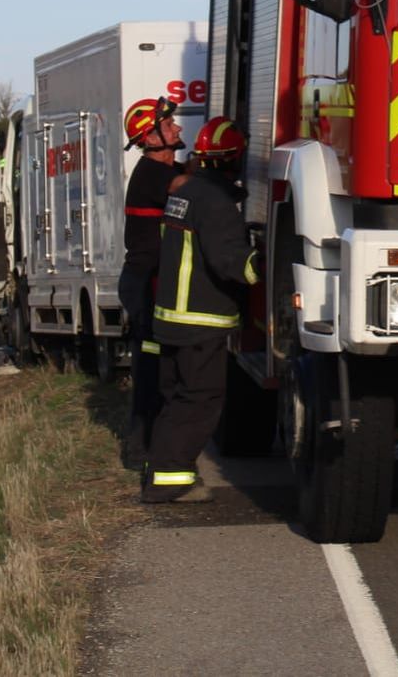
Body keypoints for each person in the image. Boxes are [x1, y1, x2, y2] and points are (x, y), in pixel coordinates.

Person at [141, 116, 259, 504]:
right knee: (200, 399)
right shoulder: (217, 203)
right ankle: (168, 481)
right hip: (199, 320)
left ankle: (158, 469)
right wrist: (269, 261)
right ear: (233, 159)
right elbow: (232, 262)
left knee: (177, 398)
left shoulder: (185, 193)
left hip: (171, 317)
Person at [118, 96, 186, 469]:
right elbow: (191, 186)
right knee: (152, 373)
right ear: (151, 136)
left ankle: (149, 447)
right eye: (169, 124)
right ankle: (140, 451)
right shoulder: (153, 175)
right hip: (145, 286)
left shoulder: (163, 171)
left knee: (159, 371)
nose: (177, 128)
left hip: (149, 283)